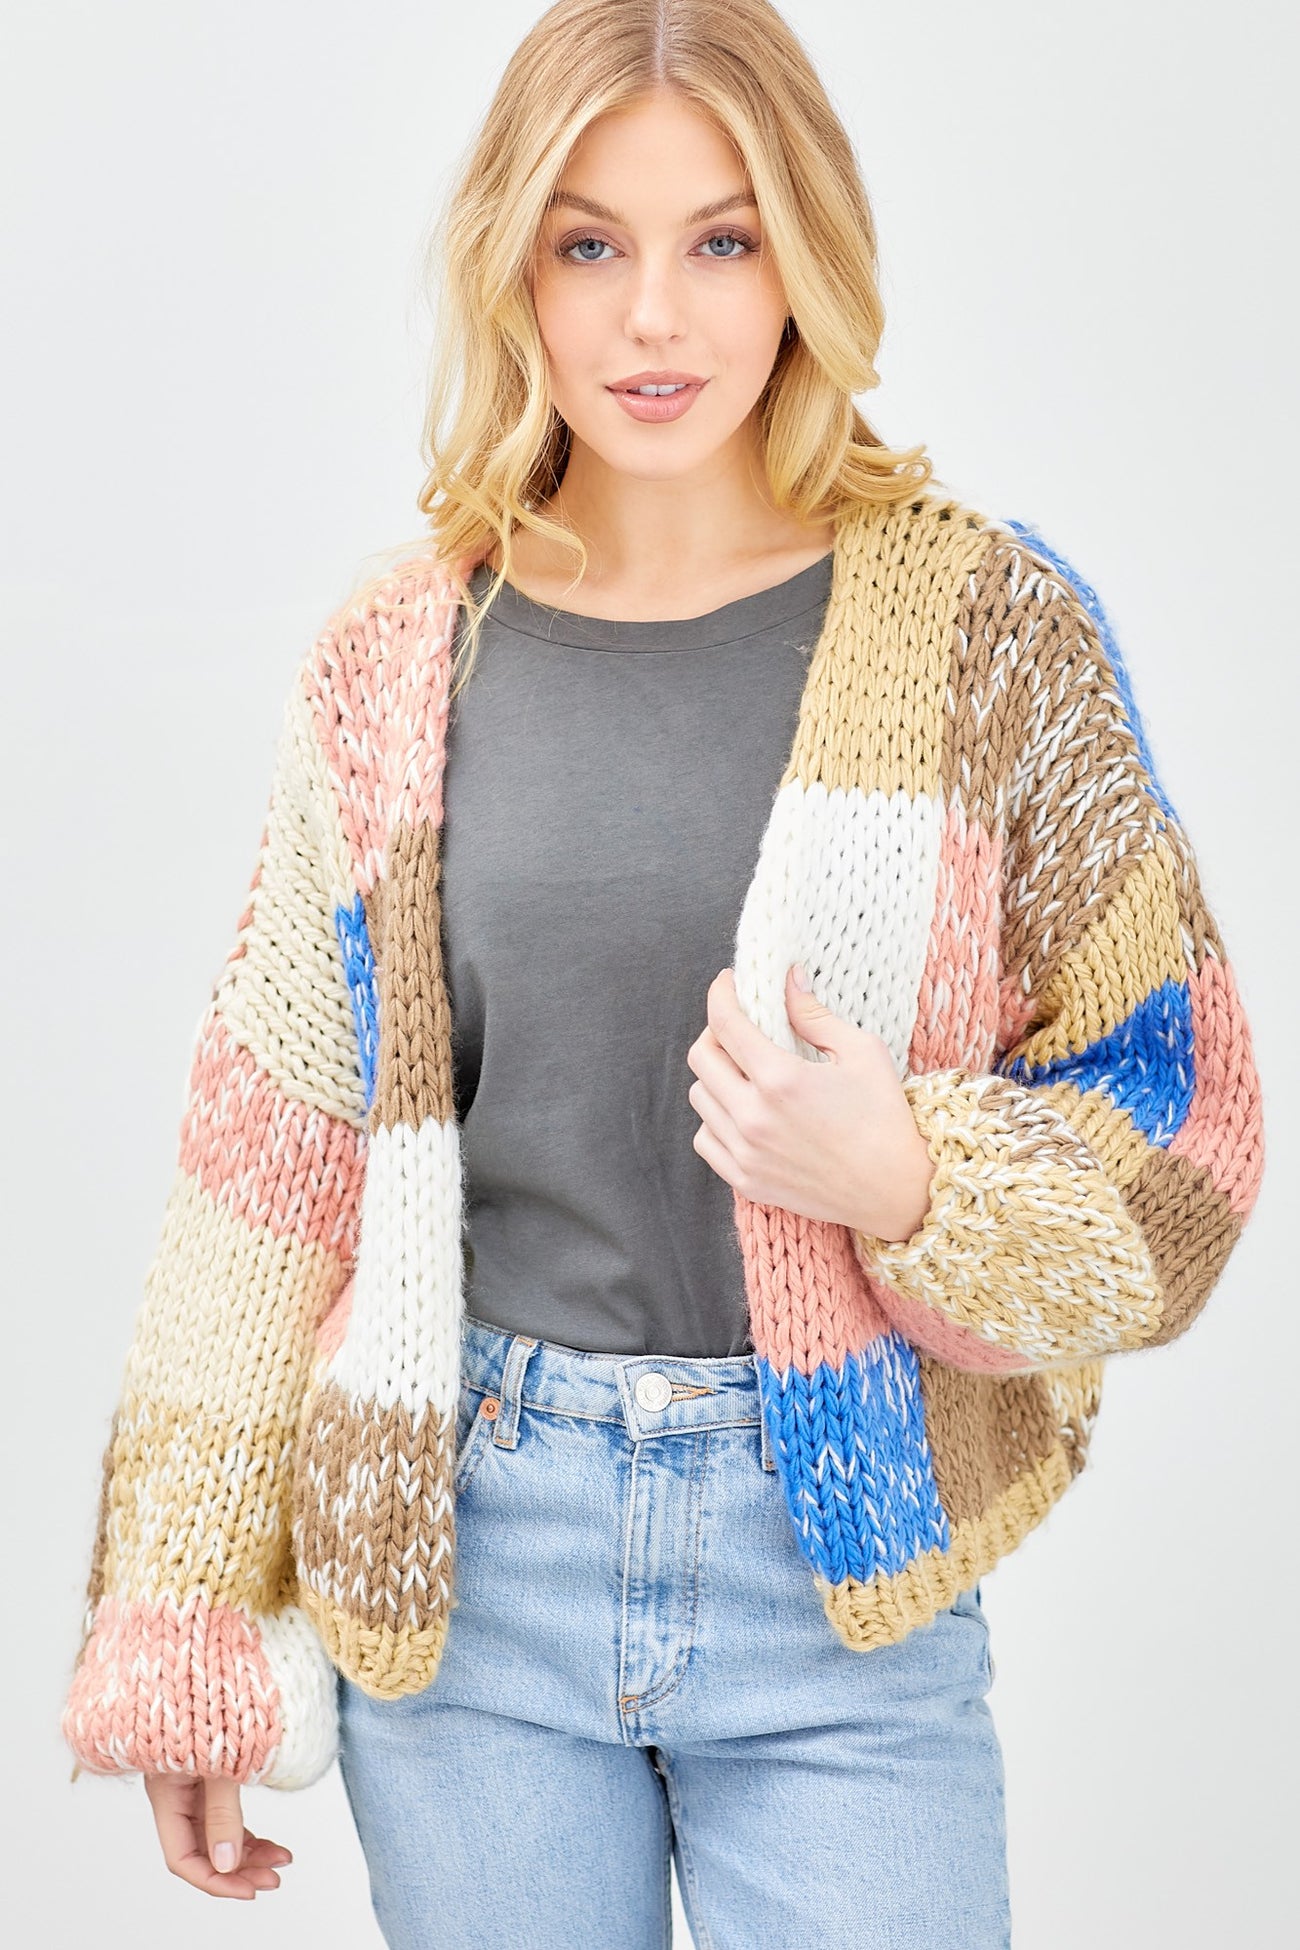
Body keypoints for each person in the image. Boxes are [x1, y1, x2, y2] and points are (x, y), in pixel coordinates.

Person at [59, 2, 1265, 1946]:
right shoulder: (395, 663)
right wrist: (182, 1613)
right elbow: (267, 1172)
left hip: (837, 1575)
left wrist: (913, 1182)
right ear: (511, 264)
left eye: (720, 238)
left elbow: (1182, 1126)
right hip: (472, 1575)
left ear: (805, 256)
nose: (652, 316)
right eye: (588, 242)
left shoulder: (986, 632)